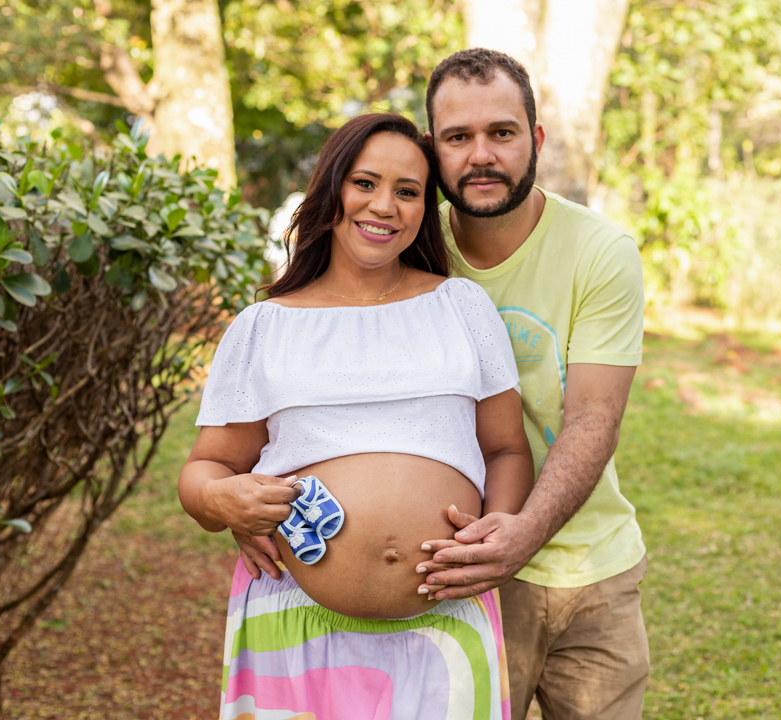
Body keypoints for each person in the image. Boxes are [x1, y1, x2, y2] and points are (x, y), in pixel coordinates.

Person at [177, 113, 534, 720]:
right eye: (365, 183)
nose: (385, 206)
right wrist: (222, 503)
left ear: (426, 208)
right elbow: (206, 468)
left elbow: (506, 449)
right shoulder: (265, 326)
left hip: (444, 627)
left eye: (407, 191)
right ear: (332, 190)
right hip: (294, 624)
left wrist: (496, 532)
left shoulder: (460, 307)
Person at [417, 49, 650, 720]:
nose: (481, 154)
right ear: (434, 150)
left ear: (536, 139)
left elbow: (593, 419)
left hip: (592, 573)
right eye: (459, 138)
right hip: (458, 573)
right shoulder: (410, 251)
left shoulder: (599, 252)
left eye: (502, 132)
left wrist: (524, 532)